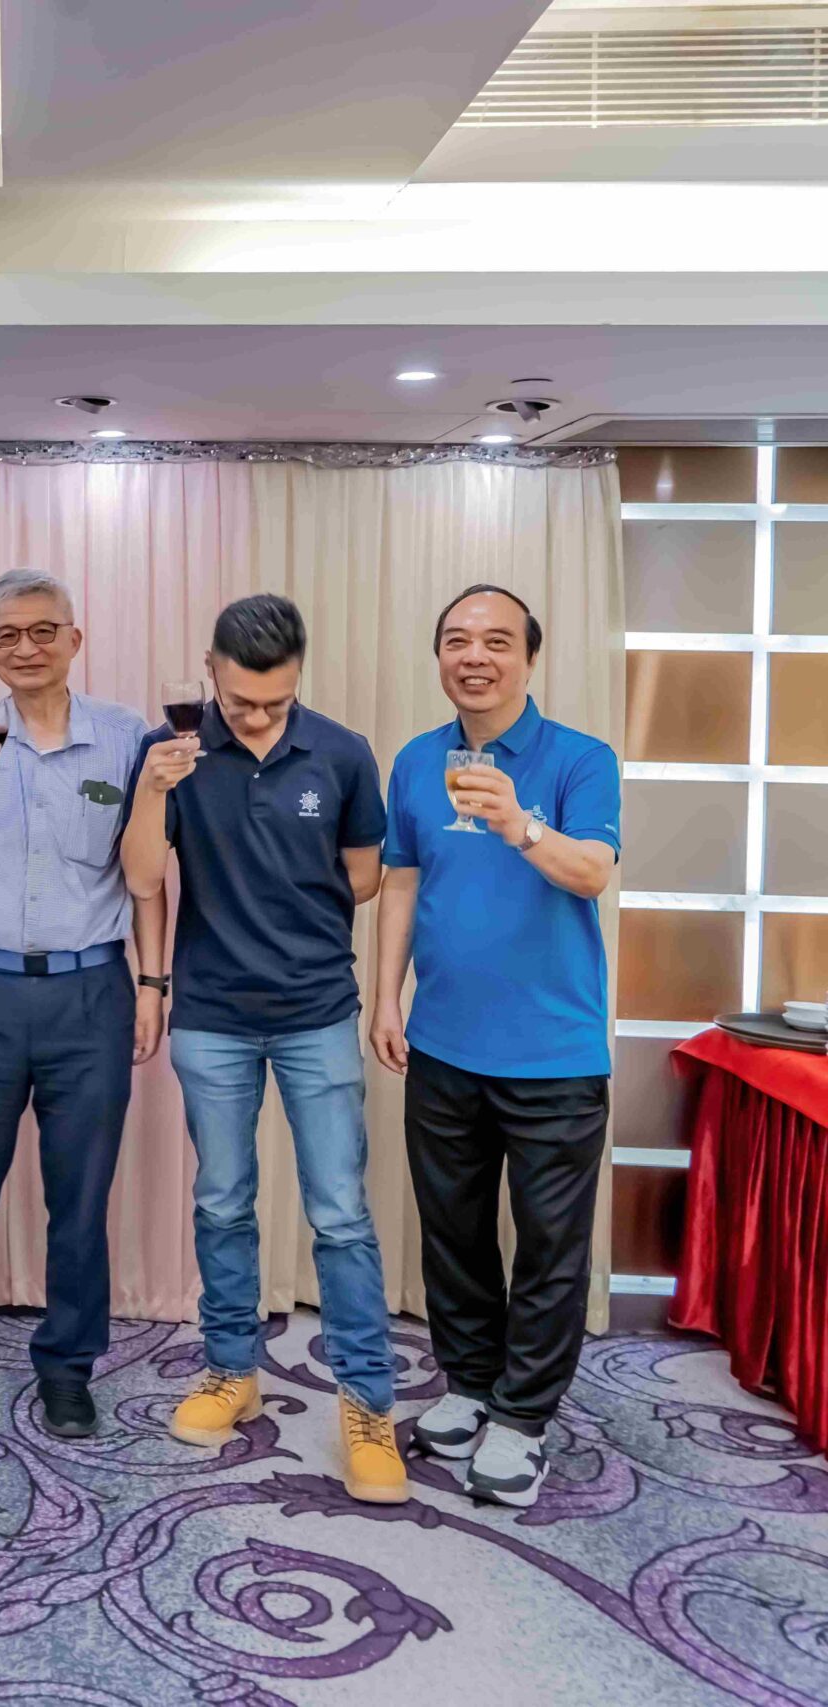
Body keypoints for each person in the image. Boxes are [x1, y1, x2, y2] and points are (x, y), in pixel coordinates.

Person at [120, 593, 406, 1503]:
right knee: (222, 1201)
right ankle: (230, 1369)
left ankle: (368, 1404)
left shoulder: (343, 752)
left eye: (274, 702)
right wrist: (154, 789)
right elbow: (140, 877)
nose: (254, 717)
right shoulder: (169, 750)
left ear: (298, 679)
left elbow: (364, 878)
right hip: (211, 1014)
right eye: (240, 701)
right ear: (210, 671)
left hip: (316, 1009)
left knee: (341, 1212)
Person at [0, 567, 169, 1437]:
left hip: (91, 995)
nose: (27, 647)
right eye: (8, 635)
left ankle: (68, 1366)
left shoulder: (125, 737)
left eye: (43, 630)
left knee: (80, 1196)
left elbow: (146, 876)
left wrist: (153, 984)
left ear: (74, 639)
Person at [372, 584, 618, 1509]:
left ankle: (522, 1417)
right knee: (454, 1232)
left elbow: (592, 871)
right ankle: (470, 1382)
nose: (474, 655)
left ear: (529, 656)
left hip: (554, 1055)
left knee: (550, 1246)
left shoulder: (581, 759)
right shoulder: (416, 759)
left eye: (496, 641)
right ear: (440, 655)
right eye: (456, 640)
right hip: (443, 1043)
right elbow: (401, 879)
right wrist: (385, 994)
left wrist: (520, 823)